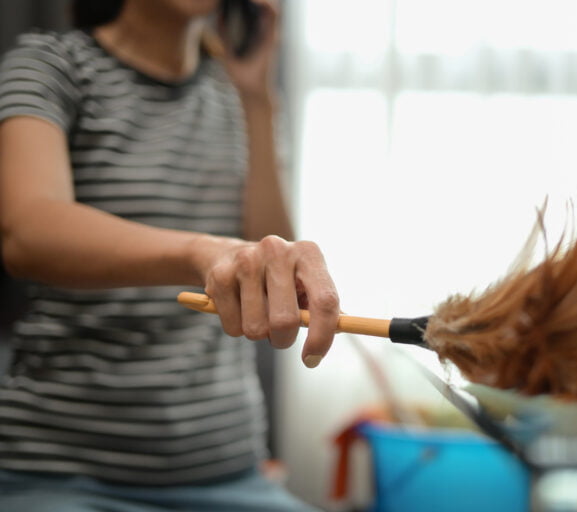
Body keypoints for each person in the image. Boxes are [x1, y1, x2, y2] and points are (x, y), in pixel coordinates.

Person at [0, 0, 340, 510]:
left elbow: (270, 262)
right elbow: (28, 232)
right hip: (59, 471)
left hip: (229, 471)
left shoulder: (237, 94)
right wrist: (204, 251)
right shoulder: (53, 65)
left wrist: (256, 100)